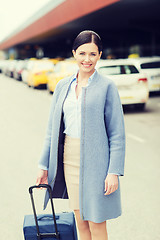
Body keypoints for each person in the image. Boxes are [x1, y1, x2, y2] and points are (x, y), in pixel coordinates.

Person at [36, 30, 125, 240]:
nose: (87, 59)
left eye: (93, 54)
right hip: (70, 159)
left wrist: (114, 171)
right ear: (74, 53)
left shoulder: (107, 87)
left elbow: (117, 135)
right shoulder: (62, 86)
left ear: (100, 55)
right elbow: (51, 130)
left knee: (96, 222)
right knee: (80, 220)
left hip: (98, 163)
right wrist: (43, 166)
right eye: (82, 53)